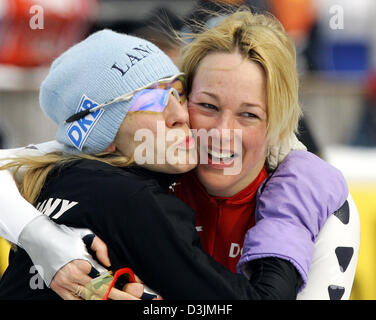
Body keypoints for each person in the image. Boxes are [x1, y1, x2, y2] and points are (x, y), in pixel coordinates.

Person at [0, 10, 351, 299]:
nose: (220, 131)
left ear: (277, 126)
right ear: (103, 138)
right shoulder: (135, 193)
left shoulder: (320, 204)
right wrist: (37, 235)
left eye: (249, 114)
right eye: (207, 105)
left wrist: (288, 218)